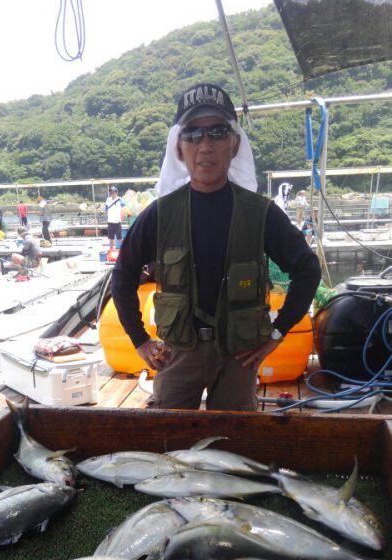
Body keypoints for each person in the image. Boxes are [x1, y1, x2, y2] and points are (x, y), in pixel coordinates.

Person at [111, 82, 321, 411]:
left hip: (239, 356)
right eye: (193, 134)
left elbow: (308, 270)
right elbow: (122, 275)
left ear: (234, 144)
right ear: (179, 148)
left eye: (218, 132)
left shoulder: (260, 213)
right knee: (167, 444)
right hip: (178, 353)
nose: (205, 145)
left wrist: (276, 335)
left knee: (235, 448)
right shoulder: (159, 215)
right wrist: (139, 340)